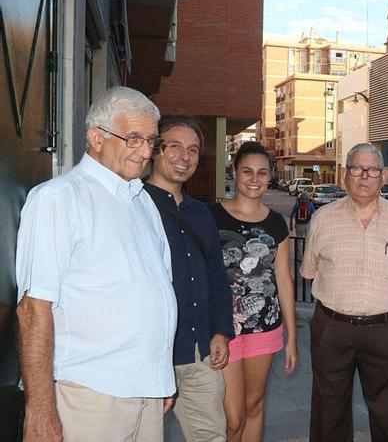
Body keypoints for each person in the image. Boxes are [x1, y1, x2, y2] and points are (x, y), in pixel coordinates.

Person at [15, 86, 176, 441]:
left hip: (147, 392)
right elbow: (33, 309)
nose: (146, 151)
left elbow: (158, 294)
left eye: (152, 140)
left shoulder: (142, 202)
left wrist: (161, 377)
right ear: (96, 137)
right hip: (89, 394)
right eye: (133, 138)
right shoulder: (58, 199)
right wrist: (40, 408)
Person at [301, 143, 388, 442]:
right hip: (332, 329)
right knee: (328, 412)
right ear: (345, 174)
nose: (364, 176)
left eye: (372, 170)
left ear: (383, 177)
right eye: (357, 168)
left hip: (386, 330)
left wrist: (379, 300)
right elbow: (310, 272)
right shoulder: (323, 218)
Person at [144, 116, 235, 442]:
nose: (185, 156)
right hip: (148, 357)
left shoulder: (201, 213)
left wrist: (221, 331)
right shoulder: (133, 204)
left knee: (211, 436)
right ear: (156, 150)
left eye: (194, 150)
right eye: (176, 146)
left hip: (199, 356)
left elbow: (216, 277)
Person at [208, 141, 297, 442]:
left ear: (270, 175)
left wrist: (292, 339)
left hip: (265, 329)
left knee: (254, 405)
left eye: (262, 172)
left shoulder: (276, 223)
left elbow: (284, 280)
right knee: (233, 418)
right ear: (234, 172)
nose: (254, 179)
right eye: (247, 171)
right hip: (223, 329)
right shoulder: (210, 216)